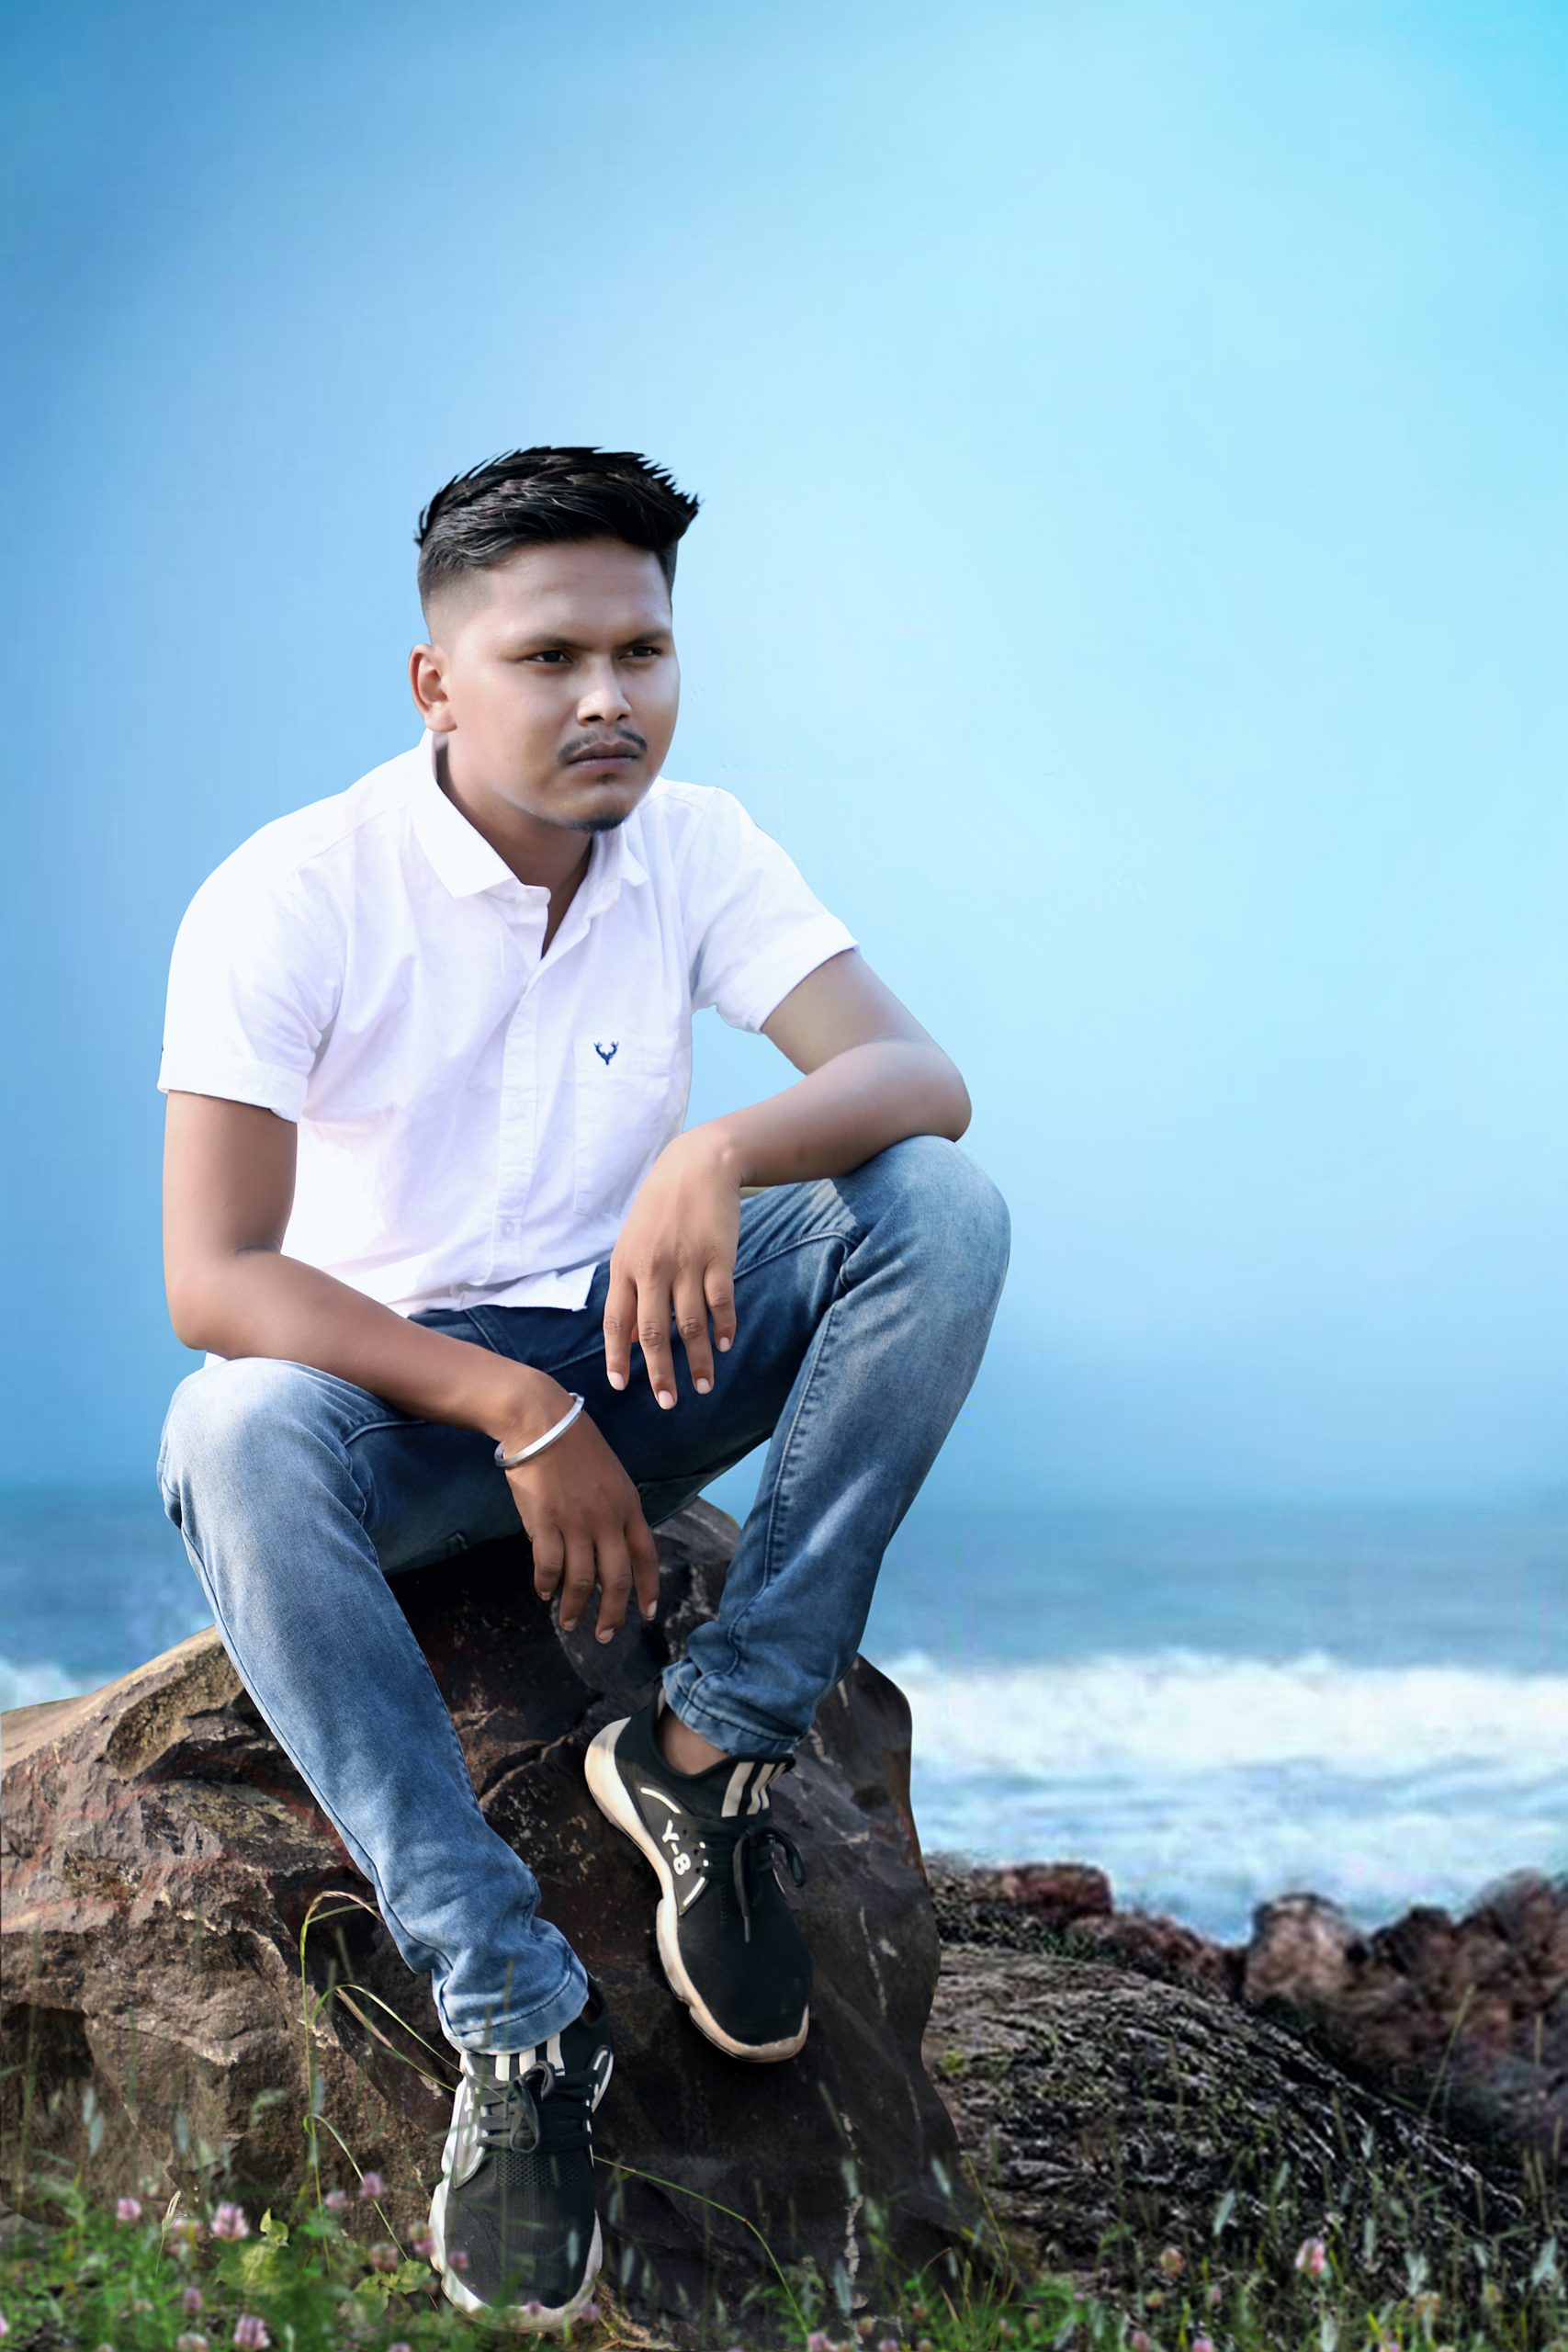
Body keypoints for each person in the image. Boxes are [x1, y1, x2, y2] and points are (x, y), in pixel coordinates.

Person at [154, 446, 1010, 2327]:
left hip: (646, 1353)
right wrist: (509, 1408)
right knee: (226, 1422)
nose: (608, 696)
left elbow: (915, 1075)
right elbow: (213, 1274)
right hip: (401, 1420)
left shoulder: (695, 843)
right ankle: (512, 2015)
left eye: (642, 647)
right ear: (435, 682)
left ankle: (709, 1751)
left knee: (935, 1210)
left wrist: (709, 1157)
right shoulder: (290, 891)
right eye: (549, 655)